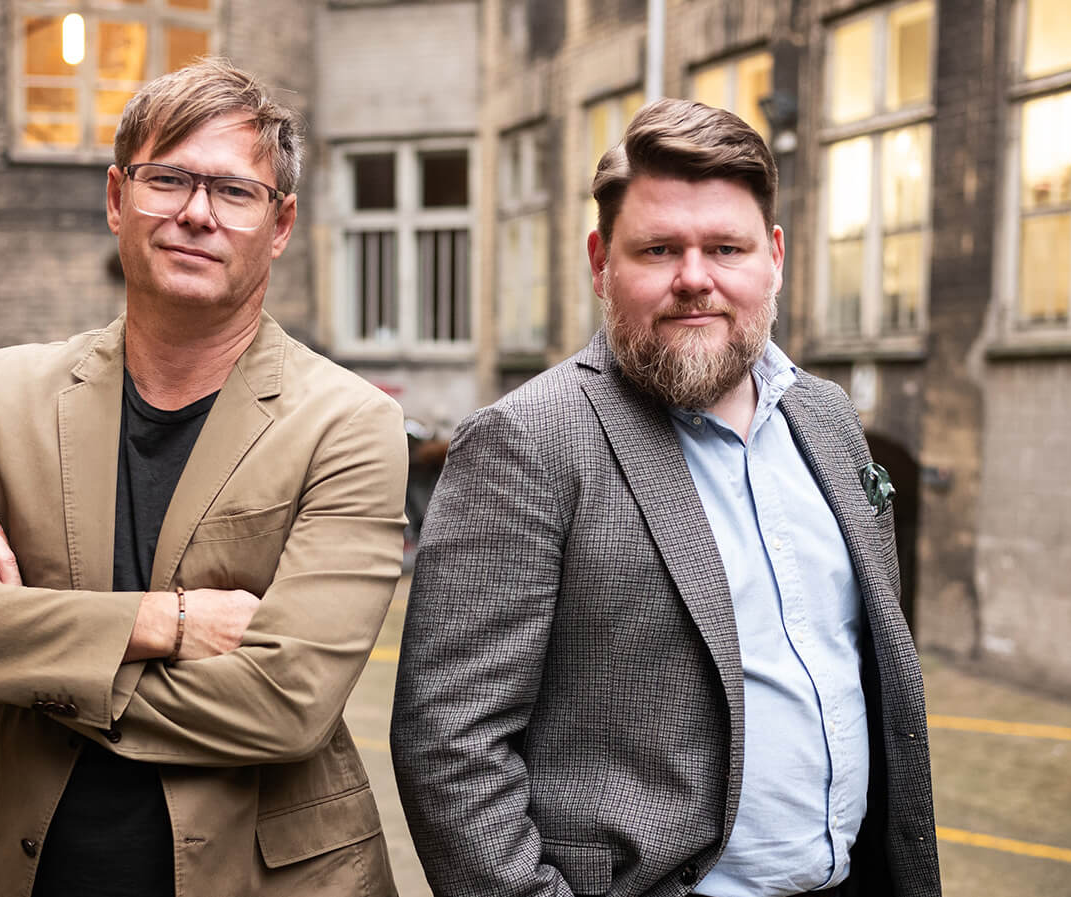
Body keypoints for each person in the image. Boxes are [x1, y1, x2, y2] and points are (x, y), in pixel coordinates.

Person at [0, 58, 407, 897]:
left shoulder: (348, 422)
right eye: (169, 179)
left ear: (281, 224)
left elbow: (285, 703)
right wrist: (167, 621)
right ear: (118, 197)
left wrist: (22, 648)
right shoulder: (3, 393)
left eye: (234, 191)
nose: (197, 212)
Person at [390, 98, 941, 897]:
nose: (694, 278)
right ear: (600, 263)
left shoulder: (827, 419)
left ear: (774, 257)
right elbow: (449, 745)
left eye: (726, 247)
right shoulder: (525, 442)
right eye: (658, 249)